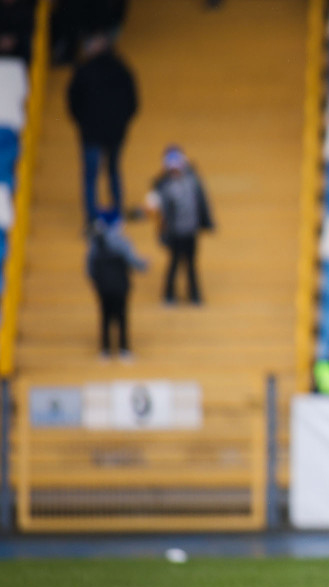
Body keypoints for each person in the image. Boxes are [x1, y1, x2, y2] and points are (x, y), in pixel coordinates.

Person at [67, 33, 138, 226]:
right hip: (112, 132)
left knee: (94, 175)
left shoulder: (85, 70)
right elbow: (132, 103)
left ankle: (94, 219)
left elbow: (73, 102)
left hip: (93, 134)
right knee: (111, 171)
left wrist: (83, 123)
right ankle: (114, 213)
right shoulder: (121, 69)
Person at [146, 146, 214, 305]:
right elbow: (155, 208)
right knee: (174, 264)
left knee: (191, 265)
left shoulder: (193, 180)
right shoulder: (163, 186)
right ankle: (169, 295)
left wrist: (207, 222)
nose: (175, 171)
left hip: (190, 231)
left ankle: (195, 295)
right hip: (174, 233)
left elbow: (202, 202)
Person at [86, 211, 146, 360]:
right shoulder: (122, 242)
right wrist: (145, 265)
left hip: (103, 287)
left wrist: (96, 282)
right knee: (121, 317)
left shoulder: (96, 242)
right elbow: (133, 261)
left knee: (105, 317)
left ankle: (105, 349)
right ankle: (123, 348)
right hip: (120, 285)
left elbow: (89, 267)